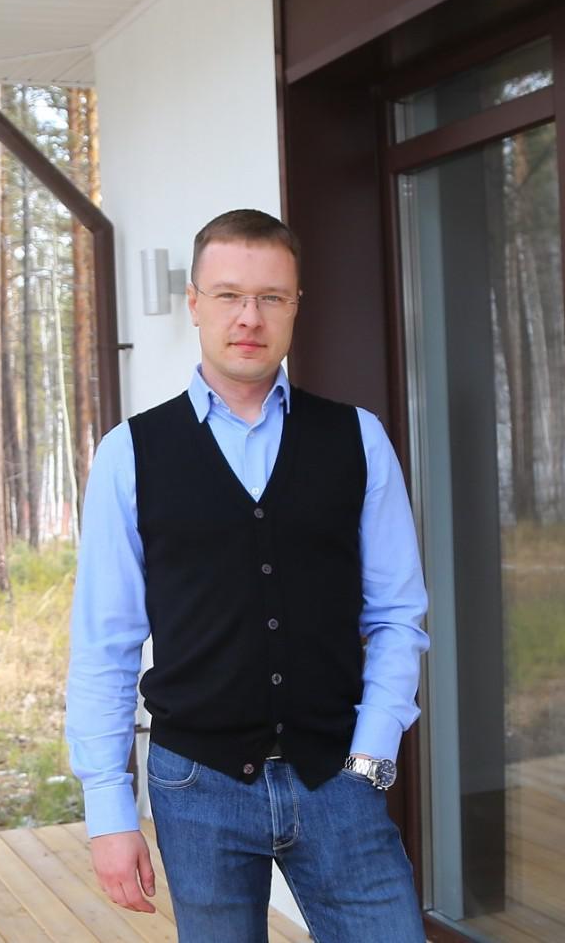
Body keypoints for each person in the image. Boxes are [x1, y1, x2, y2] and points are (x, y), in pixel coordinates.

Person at [65, 208, 431, 942]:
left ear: (296, 307)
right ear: (194, 304)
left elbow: (398, 614)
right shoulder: (130, 454)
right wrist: (108, 810)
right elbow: (105, 642)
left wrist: (372, 751)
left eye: (271, 297)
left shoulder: (357, 438)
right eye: (229, 295)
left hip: (337, 775)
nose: (249, 317)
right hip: (195, 783)